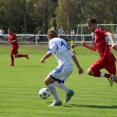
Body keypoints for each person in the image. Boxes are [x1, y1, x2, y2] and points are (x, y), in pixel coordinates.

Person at [41, 28, 83, 106]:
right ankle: (68, 91)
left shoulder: (52, 41)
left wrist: (43, 58)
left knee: (47, 81)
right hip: (70, 67)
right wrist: (79, 67)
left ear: (49, 36)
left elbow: (50, 52)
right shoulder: (64, 42)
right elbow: (73, 55)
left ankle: (57, 101)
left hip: (64, 66)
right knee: (55, 82)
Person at [81, 18, 117, 86]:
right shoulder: (95, 35)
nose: (88, 27)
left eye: (89, 25)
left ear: (94, 25)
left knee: (89, 72)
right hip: (109, 58)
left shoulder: (98, 31)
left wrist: (113, 43)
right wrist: (85, 45)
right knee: (114, 77)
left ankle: (108, 76)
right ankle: (110, 76)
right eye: (88, 26)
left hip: (105, 57)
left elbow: (109, 33)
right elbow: (95, 48)